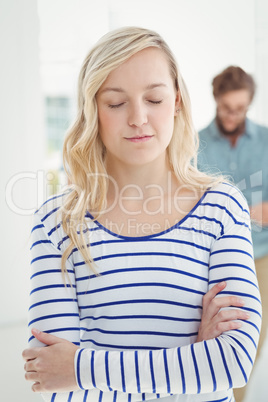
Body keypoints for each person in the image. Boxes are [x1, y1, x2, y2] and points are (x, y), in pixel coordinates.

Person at [22, 28, 261, 402]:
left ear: (177, 102)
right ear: (92, 110)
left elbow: (233, 363)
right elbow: (54, 376)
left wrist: (81, 366)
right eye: (116, 103)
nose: (138, 118)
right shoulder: (55, 222)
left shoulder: (221, 207)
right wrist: (192, 360)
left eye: (154, 98)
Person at [198, 65, 268, 402]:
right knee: (213, 338)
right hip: (207, 261)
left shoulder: (267, 140)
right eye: (226, 108)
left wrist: (246, 214)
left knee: (248, 343)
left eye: (239, 109)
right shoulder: (193, 143)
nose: (232, 115)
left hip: (261, 258)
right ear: (216, 101)